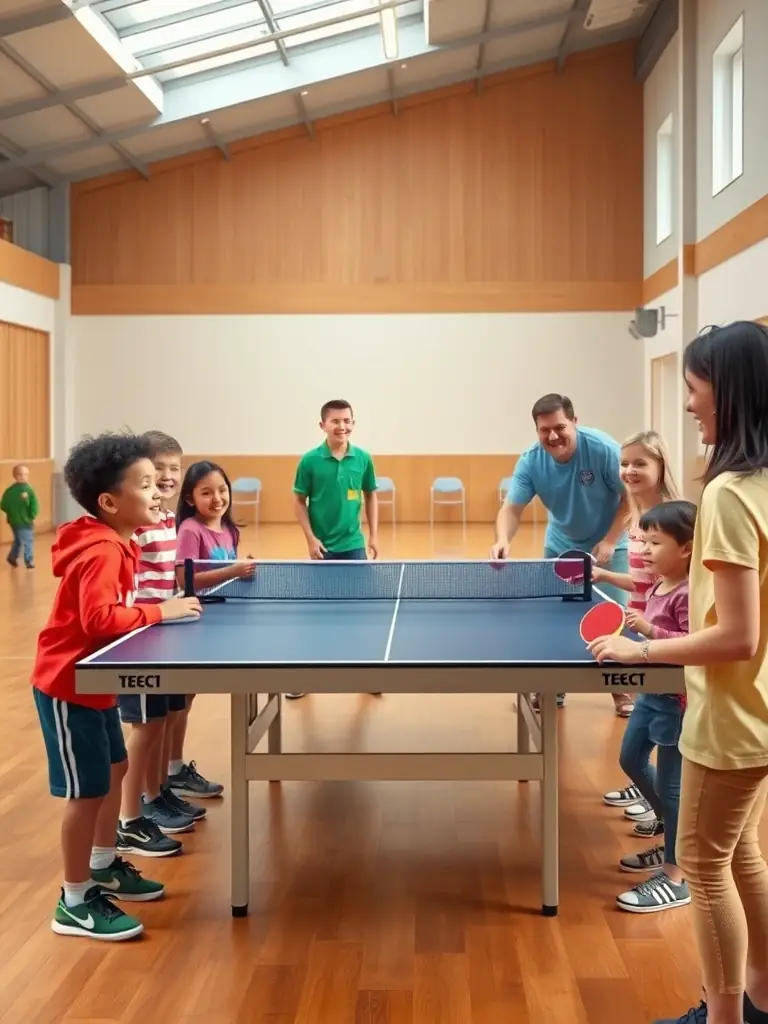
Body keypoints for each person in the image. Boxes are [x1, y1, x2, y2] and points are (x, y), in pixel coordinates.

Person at [588, 321, 768, 1024]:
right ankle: (759, 999)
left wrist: (643, 651)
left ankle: (722, 1016)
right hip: (761, 710)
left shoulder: (726, 494)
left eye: (694, 388)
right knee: (743, 854)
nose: (689, 403)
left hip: (727, 719)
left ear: (727, 392)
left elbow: (737, 634)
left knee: (702, 863)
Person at [31, 432, 201, 940]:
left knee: (115, 768)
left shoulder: (114, 540)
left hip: (95, 680)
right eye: (146, 484)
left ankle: (103, 863)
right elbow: (101, 619)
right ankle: (75, 898)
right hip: (68, 684)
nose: (157, 492)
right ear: (109, 502)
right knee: (85, 794)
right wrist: (160, 610)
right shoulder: (103, 550)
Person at [491, 393, 630, 713]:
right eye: (544, 430)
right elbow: (511, 508)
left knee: (612, 620)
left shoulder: (603, 449)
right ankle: (555, 689)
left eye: (559, 427)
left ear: (575, 422)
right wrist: (502, 539)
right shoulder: (531, 460)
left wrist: (610, 540)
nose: (553, 436)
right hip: (560, 547)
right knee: (557, 620)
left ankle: (622, 690)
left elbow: (629, 498)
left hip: (610, 545)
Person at [117, 431, 205, 860]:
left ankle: (155, 795)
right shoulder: (136, 527)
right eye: (158, 470)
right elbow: (125, 584)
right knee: (147, 728)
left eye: (174, 468)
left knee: (165, 719)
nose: (168, 477)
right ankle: (129, 819)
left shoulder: (167, 519)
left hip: (164, 634)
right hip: (138, 639)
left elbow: (168, 576)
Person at [611, 499, 695, 915]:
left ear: (686, 548)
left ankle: (677, 873)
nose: (643, 551)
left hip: (674, 703)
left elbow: (685, 645)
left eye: (654, 543)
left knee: (673, 787)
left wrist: (645, 633)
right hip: (648, 694)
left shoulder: (688, 592)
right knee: (629, 759)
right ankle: (673, 836)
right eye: (642, 541)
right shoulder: (658, 584)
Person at [599, 431, 681, 823]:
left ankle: (662, 811)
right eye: (625, 463)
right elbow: (645, 581)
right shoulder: (635, 514)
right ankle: (647, 786)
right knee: (643, 729)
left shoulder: (673, 518)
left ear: (661, 466)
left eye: (639, 463)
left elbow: (674, 584)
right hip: (641, 622)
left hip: (660, 631)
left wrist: (648, 629)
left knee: (662, 723)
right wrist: (604, 575)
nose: (628, 470)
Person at [289, 399, 379, 700]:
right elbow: (299, 501)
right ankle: (305, 677)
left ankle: (367, 675)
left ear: (353, 423)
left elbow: (371, 496)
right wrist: (310, 539)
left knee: (360, 613)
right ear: (323, 425)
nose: (342, 426)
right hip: (322, 548)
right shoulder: (310, 461)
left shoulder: (363, 458)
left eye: (347, 421)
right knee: (316, 614)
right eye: (335, 421)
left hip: (354, 545)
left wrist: (374, 535)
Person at [2, 462, 38, 568]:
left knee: (18, 540)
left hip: (14, 521)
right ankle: (29, 561)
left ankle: (12, 557)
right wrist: (31, 515)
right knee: (28, 541)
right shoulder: (27, 490)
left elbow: (3, 505)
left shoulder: (10, 491)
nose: (23, 477)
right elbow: (34, 506)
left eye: (26, 474)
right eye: (20, 474)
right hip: (24, 521)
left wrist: (11, 514)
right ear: (15, 476)